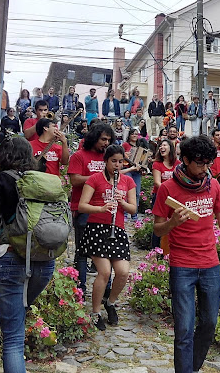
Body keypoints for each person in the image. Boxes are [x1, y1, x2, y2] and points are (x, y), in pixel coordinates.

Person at [153, 135, 220, 373]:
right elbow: (157, 227)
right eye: (199, 163)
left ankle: (191, 367)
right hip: (182, 266)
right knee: (184, 329)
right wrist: (172, 223)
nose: (204, 168)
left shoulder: (213, 185)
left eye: (208, 163)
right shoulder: (167, 188)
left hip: (210, 265)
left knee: (210, 323)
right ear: (185, 160)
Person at [0, 137, 55, 373]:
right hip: (45, 261)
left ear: (4, 155)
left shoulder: (1, 180)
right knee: (19, 318)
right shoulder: (42, 180)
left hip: (12, 258)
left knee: (12, 338)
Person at [78, 144, 137, 331]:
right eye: (114, 161)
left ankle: (110, 302)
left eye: (121, 162)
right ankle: (95, 312)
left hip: (117, 229)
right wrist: (101, 208)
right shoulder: (95, 179)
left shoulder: (127, 181)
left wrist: (122, 202)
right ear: (106, 161)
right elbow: (82, 206)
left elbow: (134, 209)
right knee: (104, 272)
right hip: (96, 228)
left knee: (123, 272)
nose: (117, 165)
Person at [68, 123, 114, 293]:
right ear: (94, 138)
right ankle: (80, 290)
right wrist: (97, 178)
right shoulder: (79, 156)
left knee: (104, 253)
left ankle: (104, 292)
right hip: (83, 210)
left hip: (105, 210)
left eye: (109, 140)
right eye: (103, 139)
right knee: (82, 252)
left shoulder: (107, 157)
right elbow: (74, 180)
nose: (106, 143)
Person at [151, 139, 180, 248]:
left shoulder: (178, 164)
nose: (161, 147)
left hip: (174, 198)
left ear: (170, 148)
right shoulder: (157, 164)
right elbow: (157, 183)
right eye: (160, 146)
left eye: (164, 145)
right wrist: (169, 192)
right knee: (159, 224)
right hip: (160, 197)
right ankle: (155, 249)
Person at [122, 129, 145, 219]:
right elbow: (119, 154)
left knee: (137, 192)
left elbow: (143, 158)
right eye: (133, 134)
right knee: (127, 191)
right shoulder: (125, 145)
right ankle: (124, 213)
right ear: (129, 135)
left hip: (137, 171)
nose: (135, 136)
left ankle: (134, 213)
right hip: (127, 169)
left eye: (136, 134)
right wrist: (125, 154)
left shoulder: (140, 146)